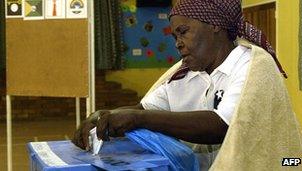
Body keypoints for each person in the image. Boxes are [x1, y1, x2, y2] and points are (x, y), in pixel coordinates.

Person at [72, 0, 289, 169]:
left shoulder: (251, 66)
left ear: (215, 24)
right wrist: (104, 116)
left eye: (183, 32)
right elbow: (142, 110)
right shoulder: (184, 74)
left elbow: (221, 127)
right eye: (175, 35)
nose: (177, 43)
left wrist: (138, 119)